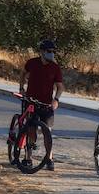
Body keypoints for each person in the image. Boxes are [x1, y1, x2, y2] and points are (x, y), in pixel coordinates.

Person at [17, 39, 64, 170]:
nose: (52, 54)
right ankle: (28, 157)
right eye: (49, 51)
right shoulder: (32, 63)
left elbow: (60, 87)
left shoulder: (55, 67)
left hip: (46, 104)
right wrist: (21, 88)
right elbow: (23, 74)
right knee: (31, 130)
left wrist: (56, 100)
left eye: (54, 52)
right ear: (42, 52)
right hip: (31, 101)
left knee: (47, 131)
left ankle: (49, 158)